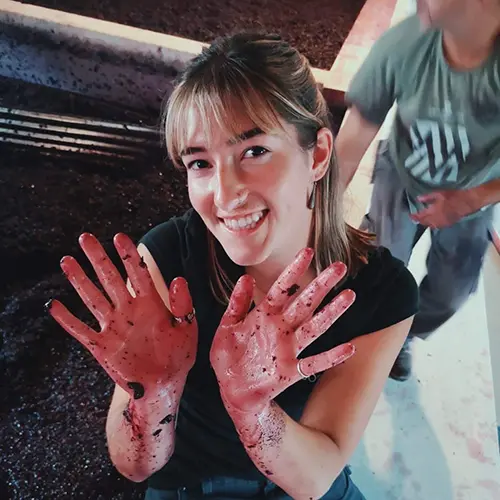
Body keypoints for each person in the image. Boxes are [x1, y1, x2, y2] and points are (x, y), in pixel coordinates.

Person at [47, 33, 418, 500]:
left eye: (254, 151)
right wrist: (153, 394)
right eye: (200, 163)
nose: (224, 194)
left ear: (318, 155)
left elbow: (316, 476)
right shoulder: (168, 259)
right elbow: (134, 466)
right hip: (185, 486)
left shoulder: (381, 291)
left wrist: (253, 411)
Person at [335, 0, 500, 382]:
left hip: (472, 196)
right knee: (379, 267)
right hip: (402, 175)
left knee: (451, 293)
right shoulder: (406, 44)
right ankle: (374, 325)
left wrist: (469, 200)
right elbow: (351, 141)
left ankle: (403, 332)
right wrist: (315, 216)